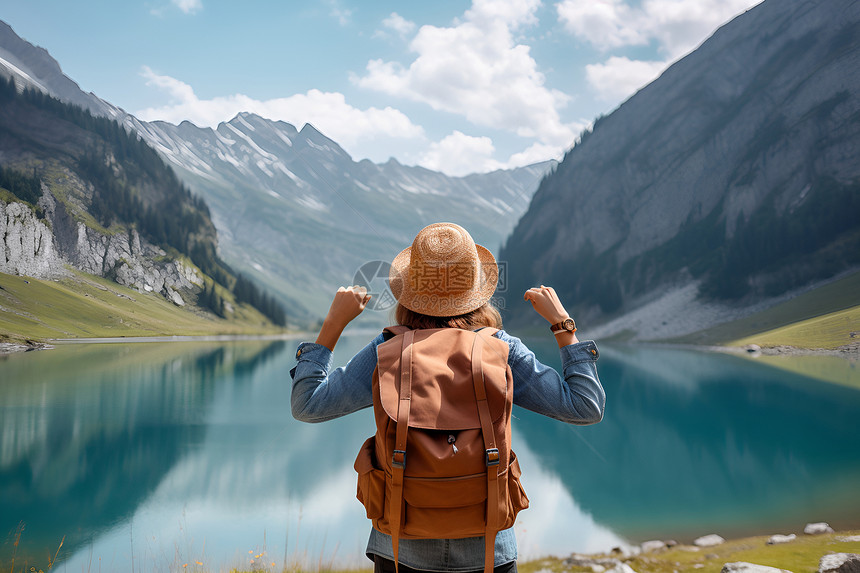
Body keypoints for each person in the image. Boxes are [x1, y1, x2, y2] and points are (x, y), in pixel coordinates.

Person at [291, 222, 605, 573]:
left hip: (399, 546)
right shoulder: (501, 349)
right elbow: (585, 407)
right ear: (475, 288)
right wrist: (563, 324)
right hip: (489, 549)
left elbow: (308, 405)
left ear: (409, 290)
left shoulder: (387, 350)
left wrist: (333, 326)